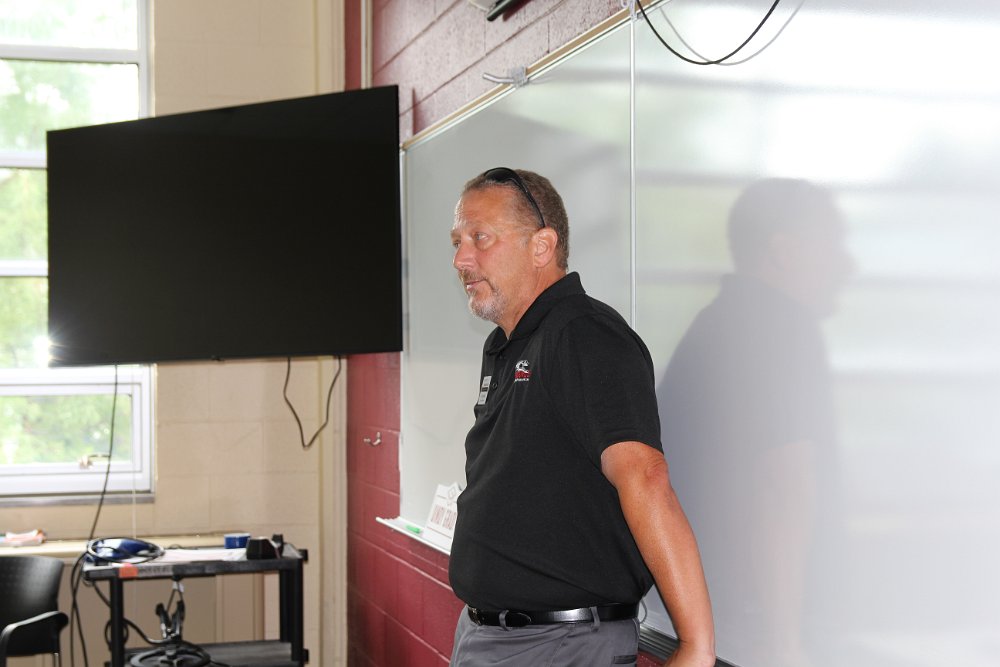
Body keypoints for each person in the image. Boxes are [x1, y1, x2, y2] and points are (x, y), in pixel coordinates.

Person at [447, 167, 715, 667]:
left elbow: (645, 476)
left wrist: (696, 647)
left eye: (480, 238)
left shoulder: (585, 335)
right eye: (458, 242)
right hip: (491, 635)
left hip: (557, 644)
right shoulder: (506, 344)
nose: (461, 259)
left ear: (542, 247)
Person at [657, 178, 853, 667]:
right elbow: (781, 486)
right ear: (784, 252)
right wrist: (783, 642)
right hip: (751, 630)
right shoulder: (779, 326)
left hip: (708, 618)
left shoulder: (720, 322)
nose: (846, 265)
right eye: (831, 244)